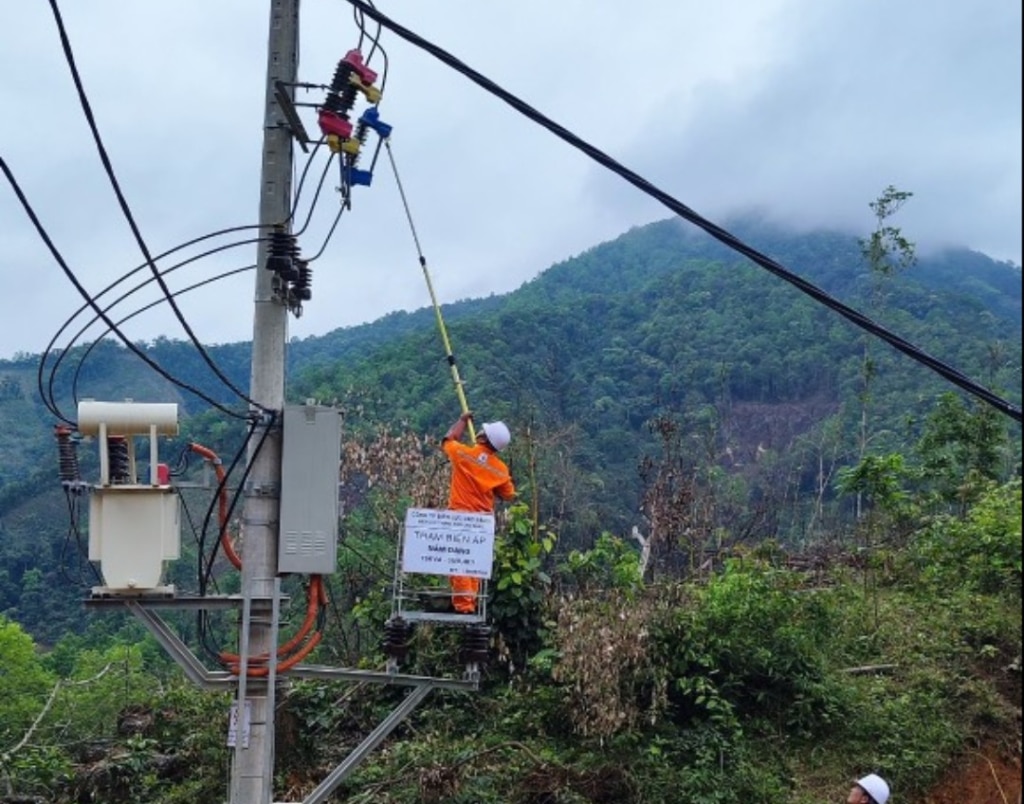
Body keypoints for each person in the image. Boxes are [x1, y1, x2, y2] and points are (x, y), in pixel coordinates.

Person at [441, 410, 515, 613]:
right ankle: (469, 603)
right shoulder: (499, 469)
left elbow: (448, 439)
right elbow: (508, 494)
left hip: (459, 518)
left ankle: (465, 607)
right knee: (472, 562)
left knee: (458, 561)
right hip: (482, 522)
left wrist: (462, 420)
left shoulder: (462, 454)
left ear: (483, 437)